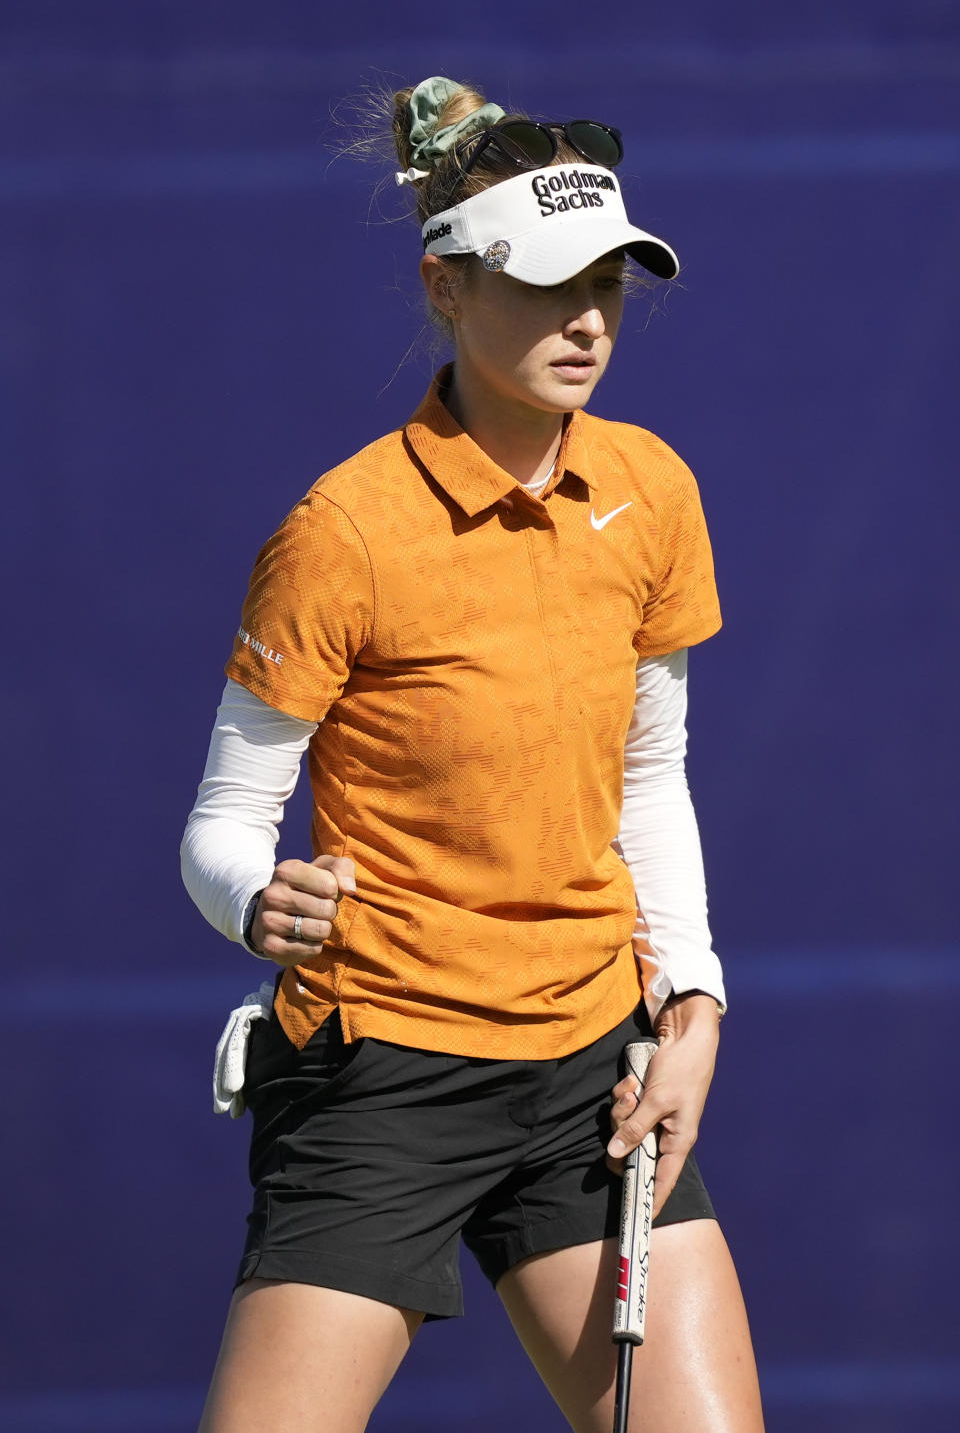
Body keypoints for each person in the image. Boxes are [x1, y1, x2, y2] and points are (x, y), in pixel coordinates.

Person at [181, 75, 766, 1433]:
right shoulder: (343, 529)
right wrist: (256, 900)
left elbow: (647, 775)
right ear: (447, 286)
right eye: (549, 281)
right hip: (380, 1072)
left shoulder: (653, 487)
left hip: (590, 1077)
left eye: (611, 281)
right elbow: (226, 824)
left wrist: (693, 1000)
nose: (588, 317)